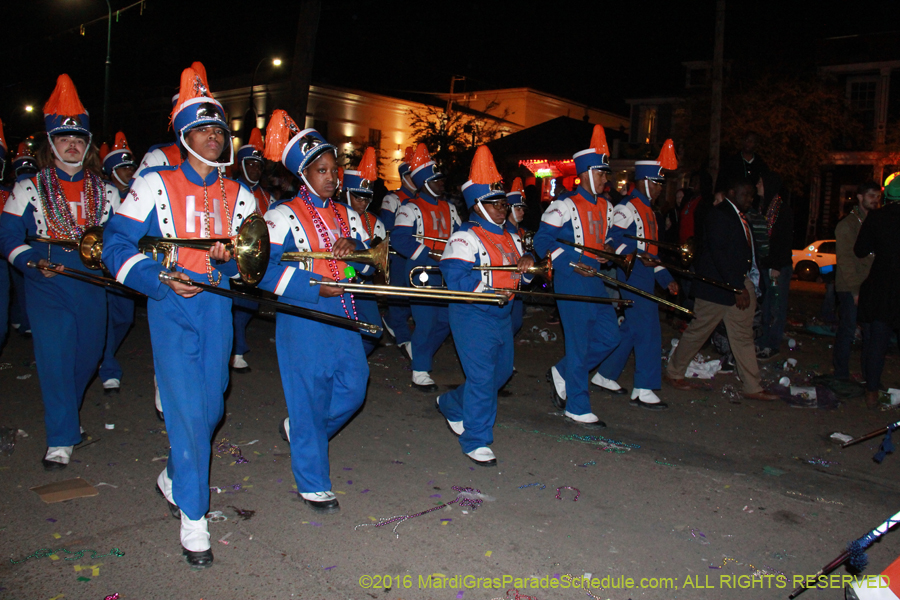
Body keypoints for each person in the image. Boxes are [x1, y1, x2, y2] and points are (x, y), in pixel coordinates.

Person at [103, 65, 257, 567]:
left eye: (219, 130)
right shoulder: (152, 183)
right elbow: (115, 245)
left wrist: (230, 260)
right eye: (203, 129)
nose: (213, 136)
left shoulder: (243, 195)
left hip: (217, 307)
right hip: (170, 306)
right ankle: (195, 518)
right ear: (184, 136)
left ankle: (172, 476)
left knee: (212, 410)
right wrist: (157, 279)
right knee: (191, 419)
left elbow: (255, 261)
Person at [0, 75, 119, 469]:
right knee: (53, 357)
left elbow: (121, 238)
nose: (72, 145)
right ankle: (61, 436)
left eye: (79, 140)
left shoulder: (107, 192)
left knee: (87, 356)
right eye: (65, 139)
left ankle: (66, 412)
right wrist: (29, 262)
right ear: (52, 145)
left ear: (86, 147)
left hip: (92, 278)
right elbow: (8, 235)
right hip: (47, 274)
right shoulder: (28, 188)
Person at [259, 110, 373, 514]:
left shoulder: (351, 217)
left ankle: (303, 432)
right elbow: (260, 272)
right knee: (308, 397)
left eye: (333, 169)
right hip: (303, 314)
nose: (331, 176)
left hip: (343, 310)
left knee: (355, 387)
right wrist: (311, 285)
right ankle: (313, 480)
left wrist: (355, 252)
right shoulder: (281, 216)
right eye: (321, 170)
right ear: (303, 174)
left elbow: (371, 264)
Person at [438, 146, 533, 466]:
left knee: (501, 372)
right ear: (477, 204)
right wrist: (487, 293)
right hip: (472, 315)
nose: (503, 207)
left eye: (504, 202)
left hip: (502, 314)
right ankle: (476, 438)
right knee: (481, 377)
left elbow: (526, 281)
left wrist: (529, 266)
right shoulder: (464, 237)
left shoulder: (513, 237)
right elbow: (456, 278)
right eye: (495, 203)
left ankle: (452, 404)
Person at [533, 125, 622, 424]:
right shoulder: (564, 204)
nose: (605, 178)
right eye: (601, 172)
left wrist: (612, 251)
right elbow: (542, 241)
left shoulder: (608, 206)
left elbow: (603, 240)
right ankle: (577, 405)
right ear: (584, 173)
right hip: (571, 277)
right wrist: (570, 263)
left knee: (611, 337)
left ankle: (561, 370)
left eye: (606, 173)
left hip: (595, 278)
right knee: (579, 342)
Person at [664, 178, 779, 402]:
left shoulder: (740, 217)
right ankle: (674, 372)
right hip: (716, 286)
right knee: (699, 331)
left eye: (752, 196)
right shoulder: (720, 214)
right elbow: (718, 254)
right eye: (746, 194)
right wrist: (736, 287)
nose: (750, 199)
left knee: (743, 336)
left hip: (737, 282)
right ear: (732, 192)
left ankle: (751, 385)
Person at [594, 141, 680, 410]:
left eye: (660, 184)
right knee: (649, 331)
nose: (659, 188)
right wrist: (632, 255)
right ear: (643, 181)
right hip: (632, 276)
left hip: (645, 275)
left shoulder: (650, 213)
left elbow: (651, 253)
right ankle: (643, 388)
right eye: (655, 183)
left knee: (631, 330)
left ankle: (604, 374)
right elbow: (611, 240)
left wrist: (666, 279)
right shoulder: (626, 208)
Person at [392, 143, 461, 391]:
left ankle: (420, 354)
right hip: (421, 271)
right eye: (437, 179)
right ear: (426, 182)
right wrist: (430, 254)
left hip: (446, 272)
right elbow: (399, 239)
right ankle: (420, 368)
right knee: (426, 321)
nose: (443, 184)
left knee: (446, 320)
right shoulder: (409, 207)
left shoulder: (451, 208)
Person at [98, 132, 139, 394]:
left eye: (131, 166)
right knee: (104, 317)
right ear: (112, 171)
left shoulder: (138, 196)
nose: (129, 171)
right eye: (123, 168)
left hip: (129, 265)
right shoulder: (104, 194)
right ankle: (108, 366)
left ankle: (103, 352)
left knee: (124, 317)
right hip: (104, 265)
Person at [854, 176, 900, 408]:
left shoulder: (878, 217)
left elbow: (860, 249)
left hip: (882, 286)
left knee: (877, 343)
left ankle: (871, 390)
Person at [229, 127, 270, 372]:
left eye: (258, 165)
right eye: (251, 164)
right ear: (241, 164)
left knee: (251, 304)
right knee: (237, 303)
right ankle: (236, 349)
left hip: (256, 258)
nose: (255, 169)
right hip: (234, 254)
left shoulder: (266, 196)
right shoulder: (230, 189)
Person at [833, 181, 880, 382]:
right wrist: (854, 290)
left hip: (871, 285)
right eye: (871, 196)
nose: (875, 200)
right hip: (850, 286)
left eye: (877, 196)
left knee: (871, 332)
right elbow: (845, 259)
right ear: (860, 197)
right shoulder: (848, 225)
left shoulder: (876, 221)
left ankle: (869, 376)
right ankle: (841, 373)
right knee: (848, 329)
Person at [342, 146, 385, 355]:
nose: (363, 203)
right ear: (347, 194)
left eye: (367, 198)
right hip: (339, 279)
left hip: (364, 282)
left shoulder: (375, 221)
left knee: (374, 330)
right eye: (359, 197)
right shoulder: (334, 214)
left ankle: (352, 359)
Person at [378, 146, 415, 357]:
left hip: (417, 255)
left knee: (414, 299)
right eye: (412, 175)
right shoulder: (392, 199)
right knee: (400, 297)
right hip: (397, 256)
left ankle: (391, 321)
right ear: (404, 176)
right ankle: (404, 338)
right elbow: (387, 228)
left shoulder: (422, 200)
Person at [756, 171, 793, 360]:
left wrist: (777, 265)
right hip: (766, 265)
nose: (757, 186)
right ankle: (764, 339)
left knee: (776, 306)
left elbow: (784, 240)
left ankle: (772, 343)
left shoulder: (781, 210)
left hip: (778, 267)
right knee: (766, 305)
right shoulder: (764, 208)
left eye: (760, 182)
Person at [505, 176, 528, 336]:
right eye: (518, 208)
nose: (522, 212)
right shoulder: (502, 231)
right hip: (505, 282)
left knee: (516, 322)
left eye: (523, 209)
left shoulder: (523, 232)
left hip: (519, 284)